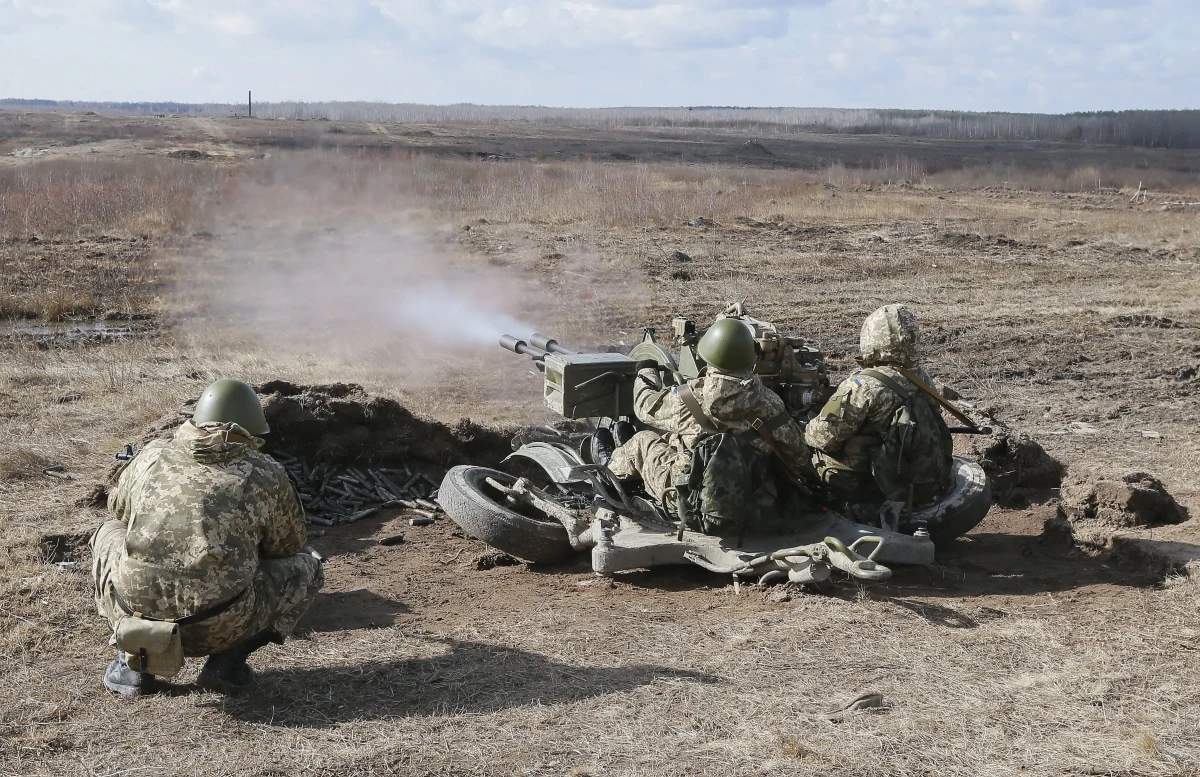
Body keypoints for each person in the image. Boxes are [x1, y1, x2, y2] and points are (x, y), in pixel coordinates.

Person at [91, 379, 324, 696]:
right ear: (251, 430)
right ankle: (227, 665)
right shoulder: (263, 472)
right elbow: (289, 546)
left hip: (134, 612)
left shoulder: (151, 456)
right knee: (308, 569)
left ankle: (131, 663)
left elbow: (118, 508)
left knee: (107, 532)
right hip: (218, 627)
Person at [592, 318, 810, 534]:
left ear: (707, 356)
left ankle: (609, 473)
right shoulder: (769, 402)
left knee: (642, 442)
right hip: (752, 503)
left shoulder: (687, 398)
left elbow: (644, 407)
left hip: (687, 503)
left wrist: (646, 372)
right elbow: (799, 455)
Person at [804, 304, 953, 508]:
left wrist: (805, 425)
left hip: (868, 483)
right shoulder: (922, 379)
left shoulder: (863, 385)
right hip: (914, 478)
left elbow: (824, 438)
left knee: (801, 450)